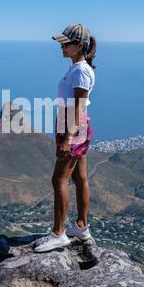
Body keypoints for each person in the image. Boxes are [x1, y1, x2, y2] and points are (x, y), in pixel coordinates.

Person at [35, 24, 96, 253]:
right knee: (80, 177)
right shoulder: (79, 67)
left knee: (58, 180)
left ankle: (58, 233)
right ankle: (81, 226)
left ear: (79, 45)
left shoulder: (80, 70)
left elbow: (78, 107)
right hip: (75, 127)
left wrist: (68, 138)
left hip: (73, 129)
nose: (61, 46)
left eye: (66, 43)